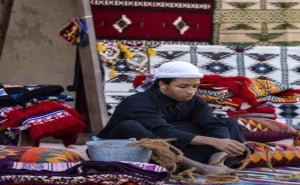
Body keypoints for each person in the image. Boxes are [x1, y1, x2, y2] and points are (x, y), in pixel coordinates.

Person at [98, 60, 248, 175]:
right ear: (163, 85)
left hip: (175, 145)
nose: (190, 91)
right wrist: (212, 141)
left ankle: (216, 165)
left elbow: (212, 125)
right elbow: (163, 133)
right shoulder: (138, 102)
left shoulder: (194, 100)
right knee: (131, 126)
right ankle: (199, 167)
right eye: (183, 87)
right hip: (129, 148)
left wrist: (217, 158)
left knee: (227, 123)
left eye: (195, 86)